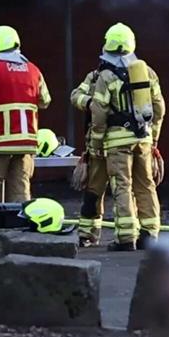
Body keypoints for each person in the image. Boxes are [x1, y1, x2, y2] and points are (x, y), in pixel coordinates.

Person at [87, 23, 165, 251]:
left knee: (122, 185)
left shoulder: (106, 76)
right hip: (144, 138)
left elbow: (99, 110)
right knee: (146, 185)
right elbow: (159, 107)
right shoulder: (147, 72)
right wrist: (154, 138)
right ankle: (150, 234)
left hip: (117, 142)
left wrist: (97, 141)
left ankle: (125, 238)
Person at [0, 26, 50, 202]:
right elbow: (45, 101)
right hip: (26, 143)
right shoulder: (34, 70)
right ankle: (19, 225)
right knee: (21, 189)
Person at [70, 71, 110, 247]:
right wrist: (90, 103)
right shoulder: (94, 77)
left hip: (111, 143)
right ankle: (89, 233)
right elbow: (76, 96)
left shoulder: (137, 74)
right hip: (104, 145)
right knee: (95, 190)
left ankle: (127, 234)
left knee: (120, 190)